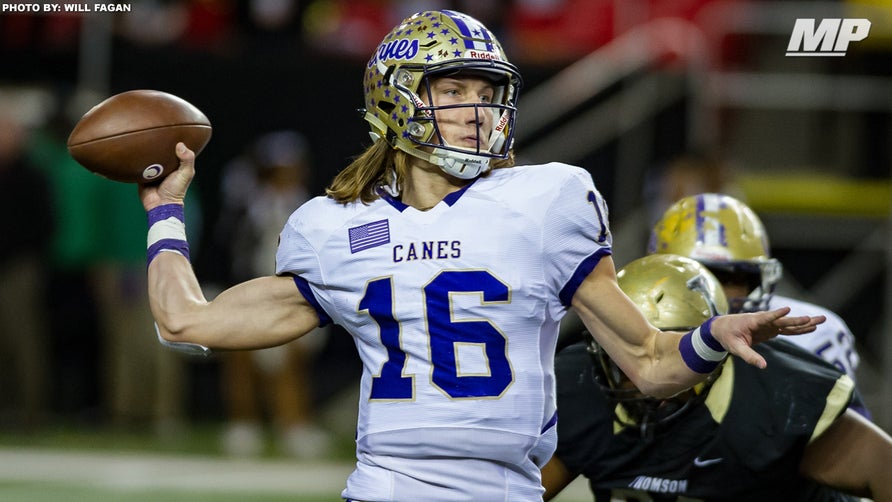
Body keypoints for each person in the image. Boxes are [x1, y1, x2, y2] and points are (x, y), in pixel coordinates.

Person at [140, 10, 824, 501]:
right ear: (399, 99)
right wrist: (165, 212)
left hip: (509, 488)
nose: (478, 110)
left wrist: (710, 336)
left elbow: (647, 364)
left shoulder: (546, 201)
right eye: (454, 90)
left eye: (487, 93)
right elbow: (184, 321)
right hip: (389, 485)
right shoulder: (335, 229)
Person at [542, 254, 892, 501]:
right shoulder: (578, 387)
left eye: (673, 349)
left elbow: (883, 470)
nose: (649, 368)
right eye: (626, 353)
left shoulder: (773, 393)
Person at [648, 194, 864, 396]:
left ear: (755, 281)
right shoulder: (636, 325)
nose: (713, 291)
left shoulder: (814, 337)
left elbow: (843, 434)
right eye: (696, 279)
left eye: (729, 279)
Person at [212, 130, 331, 458]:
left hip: (293, 292)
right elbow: (230, 247)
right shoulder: (248, 202)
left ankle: (293, 425)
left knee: (293, 361)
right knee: (243, 358)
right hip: (251, 288)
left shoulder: (309, 203)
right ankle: (243, 425)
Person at [0, 107, 54, 428]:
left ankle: (31, 412)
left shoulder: (32, 176)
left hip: (19, 267)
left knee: (23, 341)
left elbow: (44, 226)